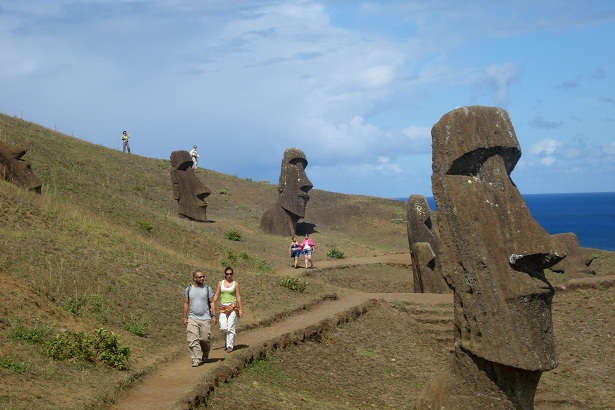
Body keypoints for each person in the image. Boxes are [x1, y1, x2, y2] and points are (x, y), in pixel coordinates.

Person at [183, 270, 217, 367]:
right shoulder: (188, 289)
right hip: (192, 318)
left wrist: (213, 315)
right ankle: (196, 359)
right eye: (200, 277)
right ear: (194, 278)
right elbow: (186, 303)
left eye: (203, 276)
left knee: (205, 339)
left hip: (205, 318)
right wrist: (184, 317)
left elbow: (212, 302)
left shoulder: (207, 289)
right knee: (193, 339)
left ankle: (205, 353)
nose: (202, 278)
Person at [212, 267, 243, 353]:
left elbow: (238, 297)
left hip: (232, 306)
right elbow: (217, 295)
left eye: (230, 274)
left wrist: (240, 309)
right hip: (223, 307)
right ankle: (226, 341)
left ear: (232, 274)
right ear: (225, 274)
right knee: (223, 327)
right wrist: (212, 303)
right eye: (227, 274)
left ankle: (230, 346)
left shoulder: (235, 284)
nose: (229, 276)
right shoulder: (220, 283)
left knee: (231, 327)